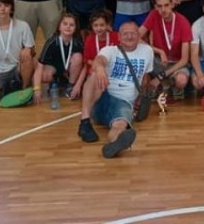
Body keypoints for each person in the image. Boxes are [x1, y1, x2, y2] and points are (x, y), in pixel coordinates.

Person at [76, 22, 154, 159]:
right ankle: (85, 121)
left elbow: (145, 77)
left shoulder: (147, 51)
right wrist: (100, 69)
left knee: (120, 125)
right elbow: (99, 60)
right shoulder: (110, 50)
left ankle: (115, 143)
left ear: (139, 35)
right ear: (118, 37)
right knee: (94, 75)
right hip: (102, 97)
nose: (129, 37)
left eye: (133, 33)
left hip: (124, 101)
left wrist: (141, 97)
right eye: (125, 34)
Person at [139, 0, 193, 97]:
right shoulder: (154, 15)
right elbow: (136, 38)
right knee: (140, 63)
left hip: (177, 64)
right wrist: (159, 51)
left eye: (166, 5)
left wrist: (160, 76)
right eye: (159, 6)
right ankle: (162, 84)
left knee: (181, 80)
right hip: (159, 61)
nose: (163, 10)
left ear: (172, 4)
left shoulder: (183, 22)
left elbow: (184, 60)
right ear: (155, 7)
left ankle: (167, 84)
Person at [33, 13, 84, 103]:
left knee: (78, 57)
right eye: (65, 24)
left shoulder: (78, 43)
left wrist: (78, 85)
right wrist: (37, 88)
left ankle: (70, 85)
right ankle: (55, 83)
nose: (68, 27)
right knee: (44, 74)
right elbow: (39, 66)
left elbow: (85, 66)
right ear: (59, 27)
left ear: (75, 28)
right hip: (54, 69)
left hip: (69, 70)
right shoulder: (51, 42)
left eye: (71, 25)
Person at [72, 10, 119, 99]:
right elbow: (87, 60)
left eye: (102, 25)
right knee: (95, 74)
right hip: (94, 69)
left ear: (107, 25)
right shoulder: (90, 39)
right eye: (96, 25)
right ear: (92, 26)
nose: (99, 28)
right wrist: (99, 66)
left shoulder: (115, 36)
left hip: (112, 67)